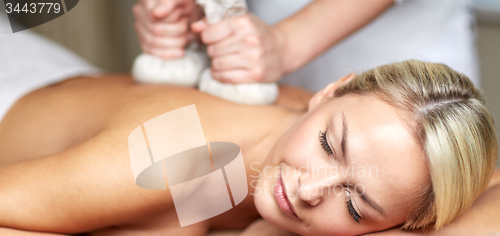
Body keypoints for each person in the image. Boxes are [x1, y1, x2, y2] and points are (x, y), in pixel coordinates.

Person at [1, 55, 499, 236]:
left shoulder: (404, 173)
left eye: (353, 204)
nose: (307, 189)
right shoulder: (183, 149)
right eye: (329, 144)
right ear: (328, 91)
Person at [133, 0, 480, 91]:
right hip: (255, 84)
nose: (309, 192)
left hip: (406, 73)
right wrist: (199, 10)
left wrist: (283, 44)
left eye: (355, 205)